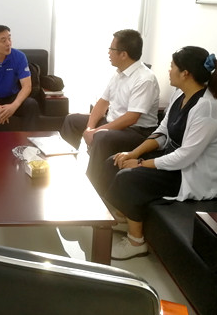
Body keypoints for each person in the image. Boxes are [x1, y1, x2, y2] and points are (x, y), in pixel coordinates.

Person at [106, 46, 217, 260]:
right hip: (175, 161)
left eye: (172, 66)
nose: (169, 70)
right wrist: (132, 154)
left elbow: (186, 157)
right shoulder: (180, 94)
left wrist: (141, 164)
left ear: (185, 73)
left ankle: (136, 242)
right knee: (115, 160)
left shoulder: (208, 108)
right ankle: (126, 215)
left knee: (129, 178)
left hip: (194, 174)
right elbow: (163, 131)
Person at [60, 29, 160, 194]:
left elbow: (131, 118)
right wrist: (90, 128)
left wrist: (96, 132)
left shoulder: (145, 79)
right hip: (113, 123)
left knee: (101, 137)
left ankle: (92, 190)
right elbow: (102, 102)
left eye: (111, 49)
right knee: (72, 120)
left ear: (124, 54)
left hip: (137, 131)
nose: (108, 52)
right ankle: (64, 169)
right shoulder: (119, 73)